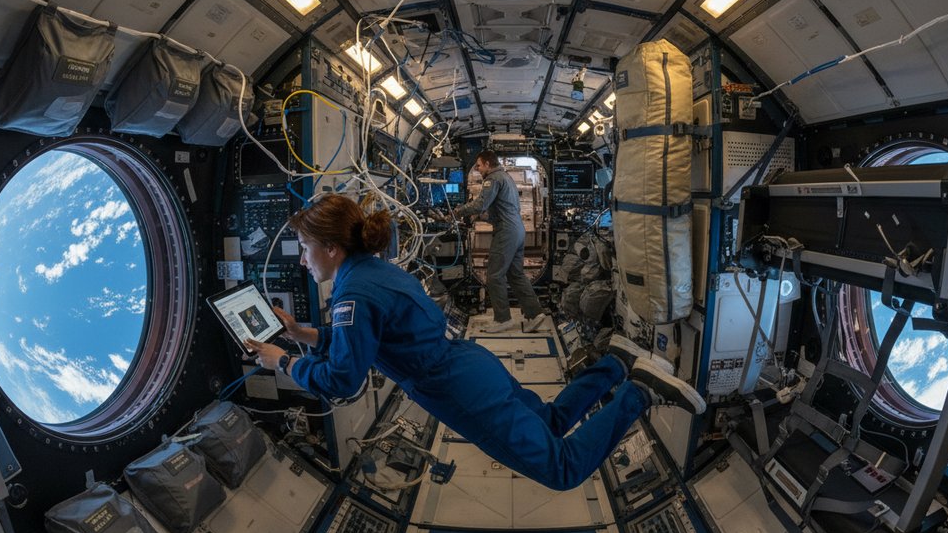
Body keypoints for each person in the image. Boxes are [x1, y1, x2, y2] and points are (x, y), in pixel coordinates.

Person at [244, 194, 706, 492]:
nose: (303, 261)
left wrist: (283, 361)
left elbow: (342, 377)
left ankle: (639, 391)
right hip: (473, 365)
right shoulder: (376, 271)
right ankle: (618, 362)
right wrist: (304, 335)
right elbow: (365, 341)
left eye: (305, 249)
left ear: (330, 247)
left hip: (457, 391)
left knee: (562, 469)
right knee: (549, 418)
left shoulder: (352, 293)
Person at [452, 150, 545, 333]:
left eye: (478, 165)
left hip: (506, 232)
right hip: (518, 230)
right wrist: (479, 217)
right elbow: (499, 211)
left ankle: (502, 319)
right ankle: (535, 313)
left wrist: (457, 211)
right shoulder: (506, 178)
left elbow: (480, 204)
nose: (477, 169)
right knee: (516, 274)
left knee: (494, 276)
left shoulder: (493, 179)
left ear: (487, 163)